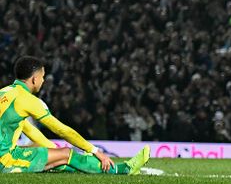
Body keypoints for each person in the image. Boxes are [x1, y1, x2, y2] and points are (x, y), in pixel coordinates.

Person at [0, 56, 150, 174]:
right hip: (6, 160)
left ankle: (89, 168)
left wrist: (52, 148)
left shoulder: (4, 92)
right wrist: (94, 150)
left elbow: (28, 129)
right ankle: (122, 170)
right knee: (66, 153)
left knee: (57, 157)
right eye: (42, 76)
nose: (43, 80)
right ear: (34, 79)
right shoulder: (28, 100)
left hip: (5, 154)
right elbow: (62, 130)